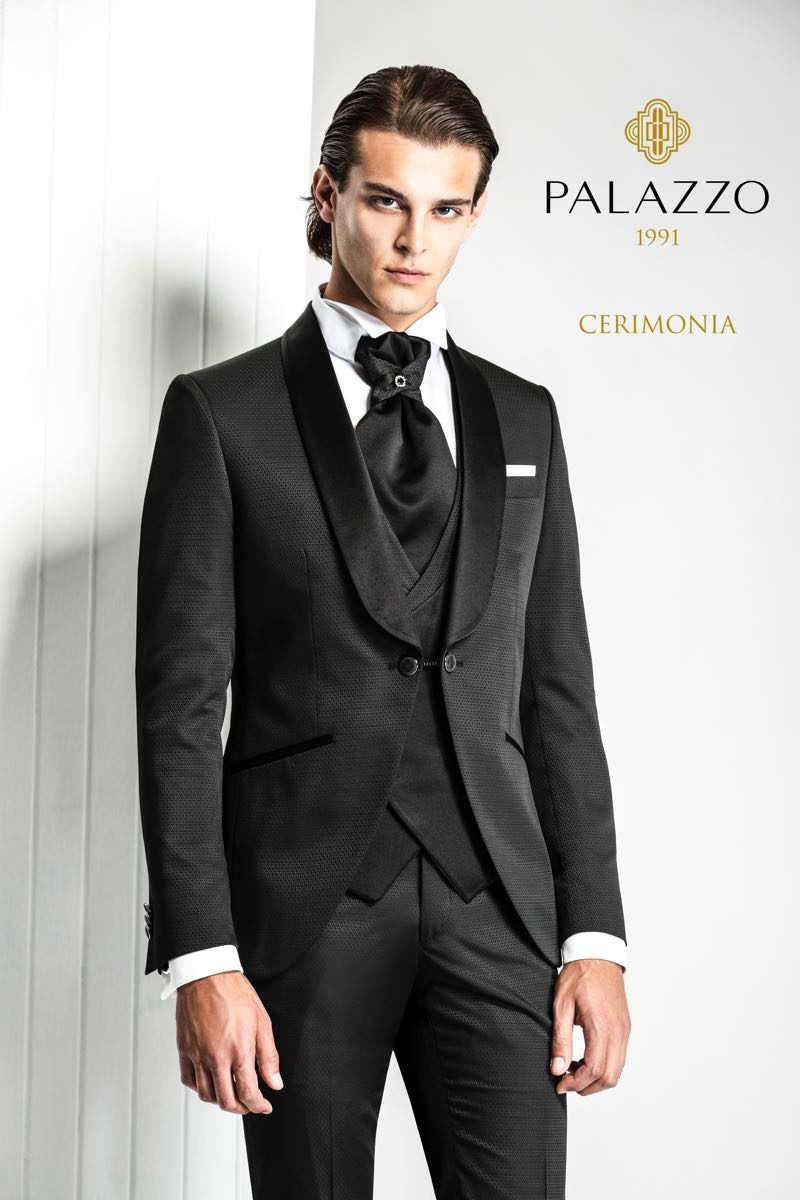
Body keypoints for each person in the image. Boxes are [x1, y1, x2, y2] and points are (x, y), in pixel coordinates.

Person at [136, 63, 631, 1199]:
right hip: (302, 914)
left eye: (446, 208)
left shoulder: (524, 416)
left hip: (499, 909)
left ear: (474, 215)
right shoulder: (222, 415)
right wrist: (202, 956)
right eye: (385, 200)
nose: (414, 240)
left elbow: (557, 691)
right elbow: (180, 709)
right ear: (327, 195)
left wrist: (595, 937)